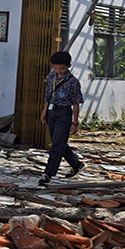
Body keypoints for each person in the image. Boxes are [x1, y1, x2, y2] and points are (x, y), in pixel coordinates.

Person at [39, 50, 86, 185]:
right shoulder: (52, 76)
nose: (59, 71)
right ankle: (76, 164)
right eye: (56, 68)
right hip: (51, 112)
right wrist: (44, 112)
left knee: (57, 145)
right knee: (58, 142)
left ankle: (48, 173)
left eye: (62, 68)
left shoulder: (73, 82)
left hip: (64, 114)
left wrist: (75, 122)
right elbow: (48, 95)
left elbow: (76, 103)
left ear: (69, 66)